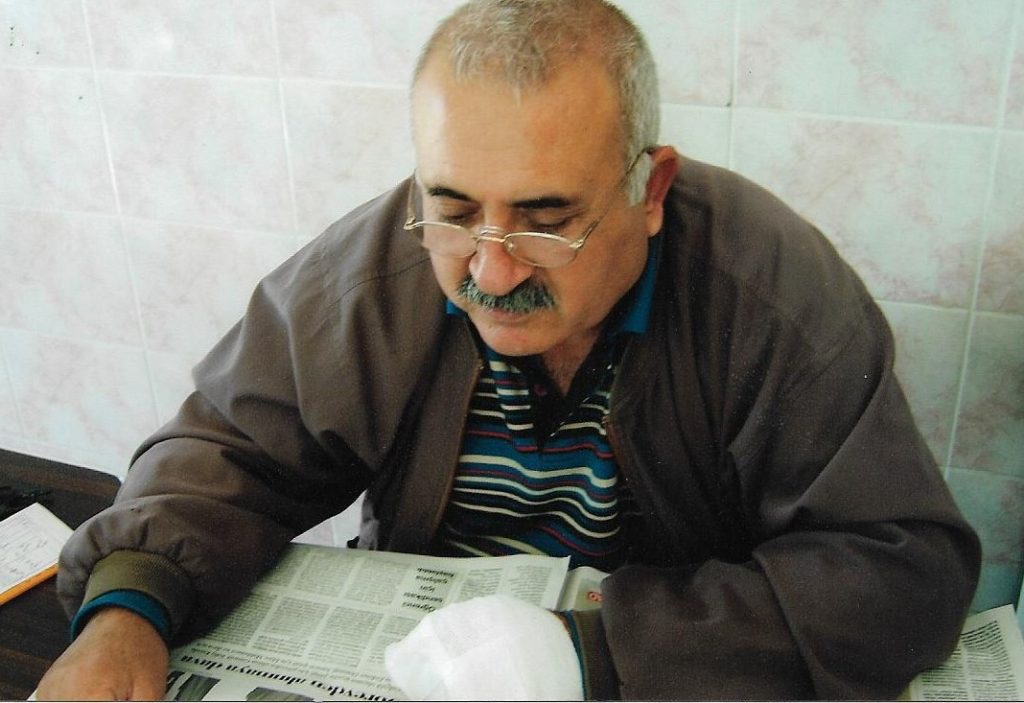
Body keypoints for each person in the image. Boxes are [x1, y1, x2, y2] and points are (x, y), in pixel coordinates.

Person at [37, 0, 980, 700]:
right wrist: (127, 610)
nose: (490, 270)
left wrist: (596, 656)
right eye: (453, 209)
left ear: (650, 191)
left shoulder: (768, 290)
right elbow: (231, 449)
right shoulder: (379, 265)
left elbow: (900, 565)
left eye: (547, 218)